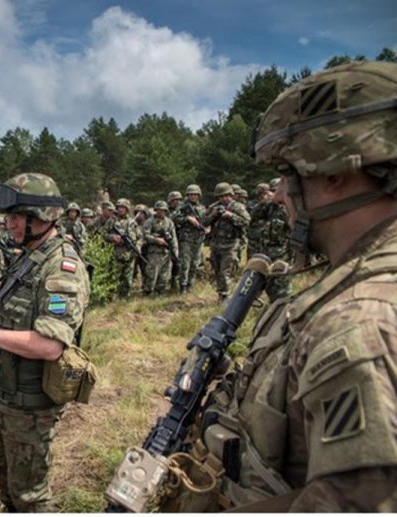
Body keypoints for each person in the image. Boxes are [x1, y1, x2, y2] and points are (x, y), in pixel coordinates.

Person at [176, 61, 397, 511]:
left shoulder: (359, 326)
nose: (278, 195)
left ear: (333, 172)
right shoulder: (351, 293)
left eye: (287, 176)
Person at [0, 173, 90, 512]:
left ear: (41, 218)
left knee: (30, 493)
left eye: (17, 217)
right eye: (8, 217)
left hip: (31, 404)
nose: (9, 224)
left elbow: (49, 345)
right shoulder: (27, 255)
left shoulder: (61, 267)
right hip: (3, 390)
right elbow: (2, 304)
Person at [202, 183, 250, 301]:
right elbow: (203, 222)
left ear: (231, 195)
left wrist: (231, 216)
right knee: (217, 271)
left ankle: (226, 296)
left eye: (226, 196)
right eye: (221, 196)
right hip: (216, 244)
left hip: (230, 245)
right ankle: (221, 294)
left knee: (225, 272)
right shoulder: (214, 207)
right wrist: (212, 215)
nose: (223, 199)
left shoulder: (237, 207)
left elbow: (246, 221)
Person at [173, 184, 207, 293]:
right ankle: (183, 286)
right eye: (191, 194)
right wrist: (187, 218)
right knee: (185, 263)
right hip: (186, 239)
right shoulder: (182, 206)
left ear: (199, 195)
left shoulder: (202, 208)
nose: (193, 197)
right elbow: (174, 218)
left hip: (198, 238)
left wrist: (207, 228)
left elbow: (206, 220)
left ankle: (190, 285)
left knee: (195, 263)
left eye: (195, 194)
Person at [141, 200, 178, 296]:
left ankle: (160, 292)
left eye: (163, 210)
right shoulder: (149, 222)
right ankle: (147, 292)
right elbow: (145, 235)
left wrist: (175, 252)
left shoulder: (169, 222)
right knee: (151, 274)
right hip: (154, 252)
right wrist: (157, 240)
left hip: (166, 252)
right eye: (159, 210)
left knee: (164, 275)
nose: (161, 212)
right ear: (155, 210)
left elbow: (173, 238)